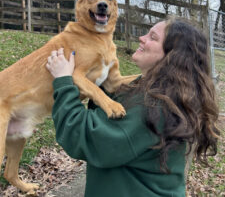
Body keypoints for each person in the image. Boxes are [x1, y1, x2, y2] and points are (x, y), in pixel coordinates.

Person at [46, 16, 220, 197]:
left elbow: (84, 136)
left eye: (153, 38)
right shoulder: (159, 89)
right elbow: (115, 100)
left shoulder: (154, 105)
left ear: (173, 55)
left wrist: (63, 81)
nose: (141, 38)